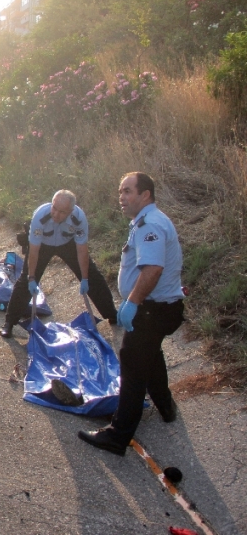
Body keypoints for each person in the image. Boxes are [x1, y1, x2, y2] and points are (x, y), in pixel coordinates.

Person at [78, 172, 185, 456]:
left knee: (133, 367)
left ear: (145, 195)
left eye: (128, 191)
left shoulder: (151, 225)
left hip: (152, 310)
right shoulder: (145, 222)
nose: (122, 197)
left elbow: (152, 270)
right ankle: (166, 406)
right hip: (158, 309)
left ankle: (118, 435)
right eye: (120, 191)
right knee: (150, 354)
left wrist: (133, 303)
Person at [0, 190, 118, 337]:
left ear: (71, 211)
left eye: (62, 212)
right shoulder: (40, 216)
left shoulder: (79, 218)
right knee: (25, 281)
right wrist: (31, 278)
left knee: (93, 276)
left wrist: (85, 279)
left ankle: (112, 314)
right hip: (42, 244)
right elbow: (34, 250)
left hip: (67, 243)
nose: (56, 214)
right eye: (54, 208)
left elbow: (82, 250)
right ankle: (9, 323)